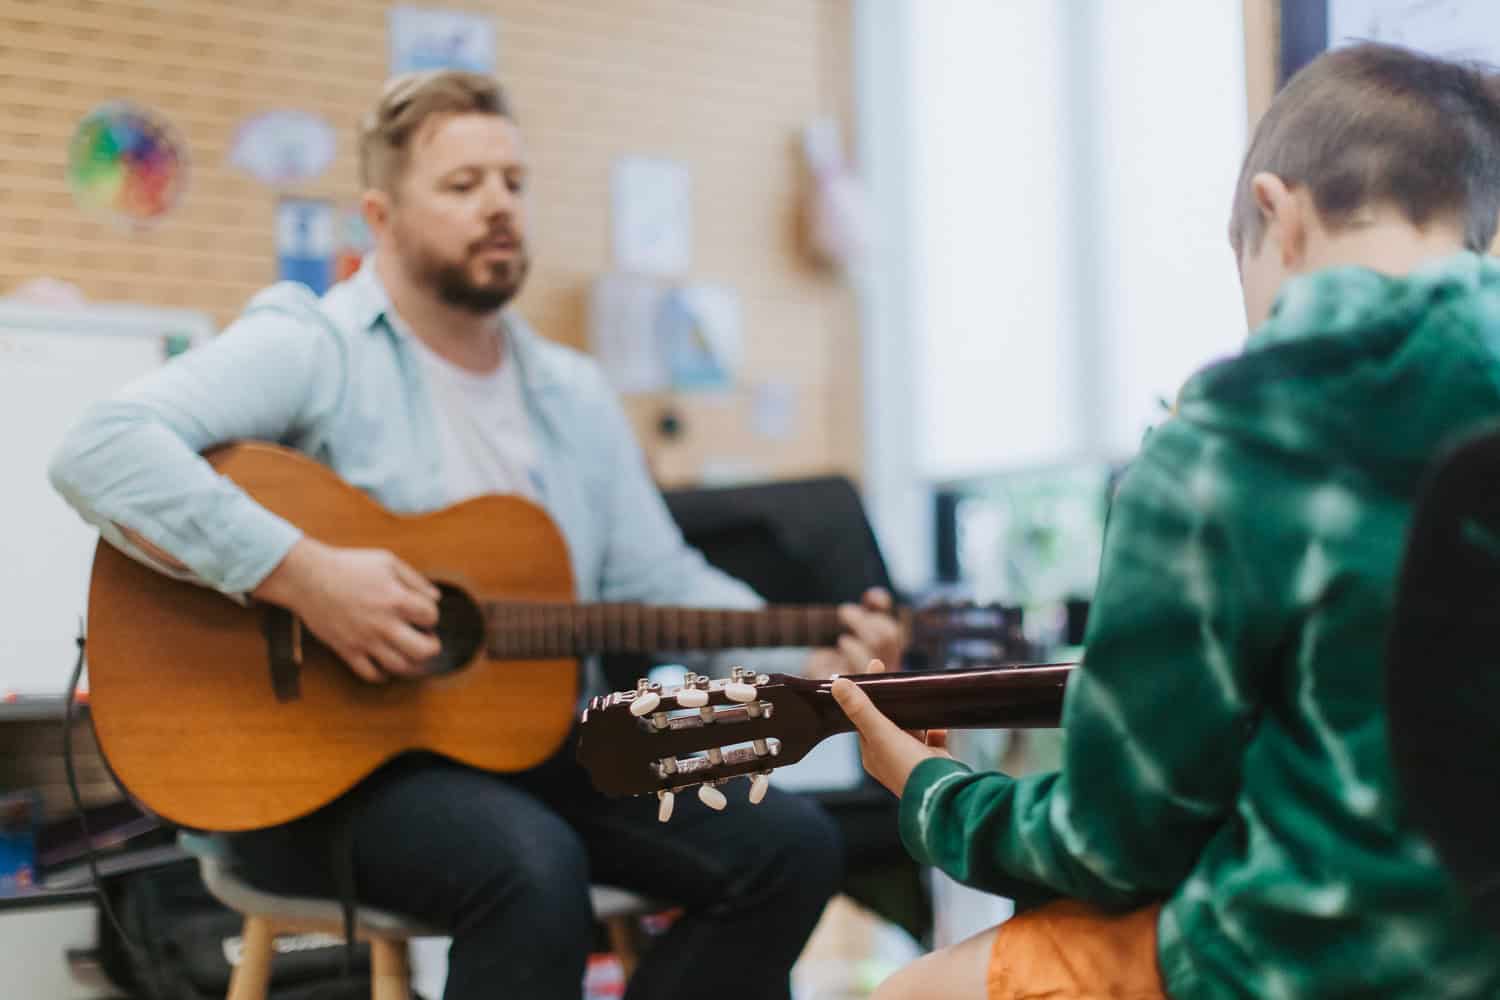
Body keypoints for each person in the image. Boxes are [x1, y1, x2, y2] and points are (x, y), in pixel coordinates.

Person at [49, 70, 902, 1000]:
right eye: (463, 186)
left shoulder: (572, 392)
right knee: (528, 871)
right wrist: (302, 575)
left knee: (791, 846)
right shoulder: (315, 347)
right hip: (329, 778)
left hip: (541, 751)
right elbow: (101, 448)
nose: (498, 206)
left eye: (513, 182)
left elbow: (658, 578)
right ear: (379, 216)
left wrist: (805, 647)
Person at [833, 42, 1500, 1000]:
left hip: (1319, 964)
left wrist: (931, 795)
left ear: (1280, 213)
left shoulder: (1234, 428)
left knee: (907, 992)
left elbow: (1118, 843)